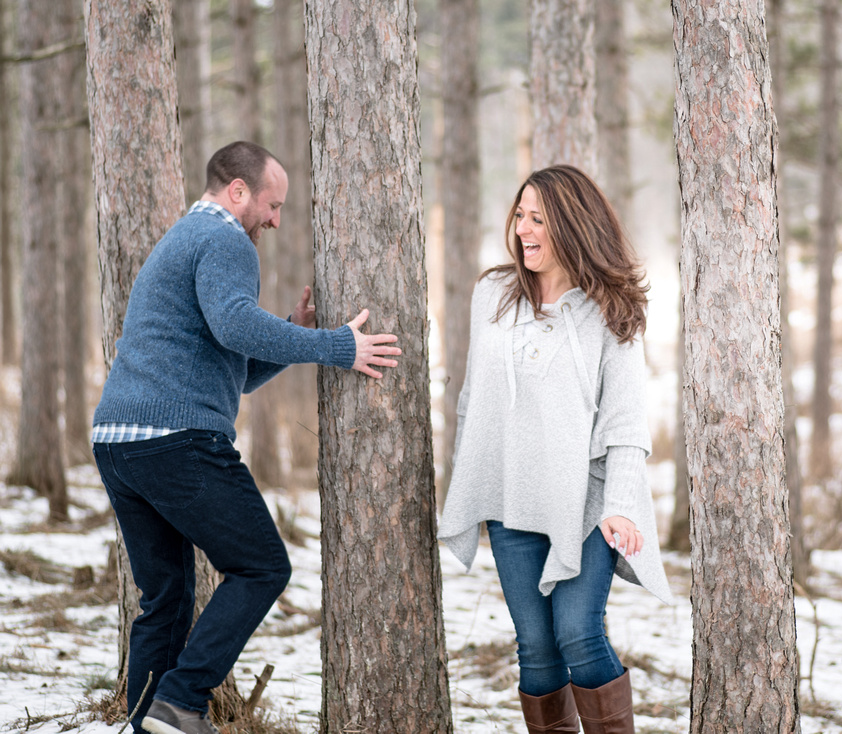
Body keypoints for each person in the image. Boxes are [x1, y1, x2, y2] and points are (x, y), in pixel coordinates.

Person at [91, 141, 401, 734]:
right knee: (261, 567)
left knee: (166, 598)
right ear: (238, 191)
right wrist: (339, 346)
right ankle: (181, 702)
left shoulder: (186, 237)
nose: (276, 220)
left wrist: (291, 334)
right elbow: (236, 323)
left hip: (119, 443)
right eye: (272, 204)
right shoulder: (224, 238)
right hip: (176, 440)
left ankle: (149, 722)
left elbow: (232, 360)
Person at [438, 165, 672, 733]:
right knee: (537, 650)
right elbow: (473, 400)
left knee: (578, 632)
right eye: (520, 215)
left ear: (571, 225)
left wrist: (619, 502)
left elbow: (623, 420)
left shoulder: (610, 310)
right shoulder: (492, 293)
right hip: (512, 498)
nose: (523, 229)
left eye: (538, 218)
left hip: (584, 503)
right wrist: (468, 488)